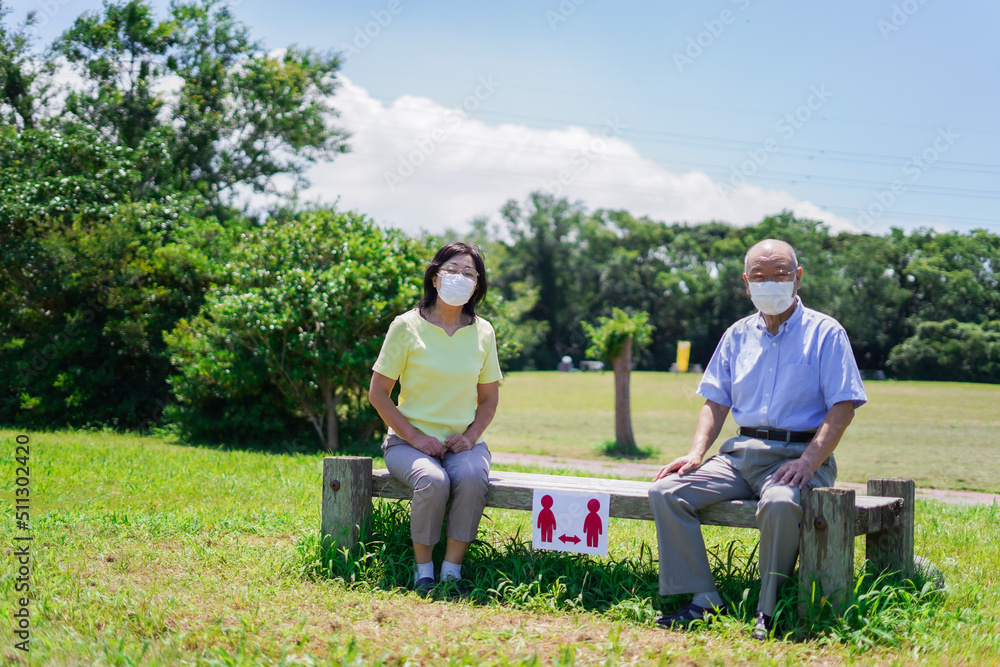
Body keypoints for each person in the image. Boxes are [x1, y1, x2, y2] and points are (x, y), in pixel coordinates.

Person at [648, 239, 867, 640]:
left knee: (781, 503)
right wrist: (696, 453)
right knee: (666, 490)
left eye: (780, 275)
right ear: (747, 282)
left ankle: (769, 608)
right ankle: (703, 599)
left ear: (797, 277)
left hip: (799, 455)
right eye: (760, 277)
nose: (770, 283)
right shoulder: (736, 334)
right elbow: (715, 401)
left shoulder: (825, 332)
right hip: (739, 455)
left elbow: (843, 407)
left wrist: (808, 463)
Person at [368, 241, 502, 597]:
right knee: (432, 478)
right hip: (406, 444)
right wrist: (415, 438)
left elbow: (489, 400)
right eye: (453, 270)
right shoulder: (406, 326)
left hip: (463, 445)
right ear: (435, 276)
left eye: (469, 273)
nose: (460, 278)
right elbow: (378, 394)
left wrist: (471, 438)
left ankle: (452, 572)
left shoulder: (484, 332)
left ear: (478, 284)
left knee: (472, 476)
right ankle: (423, 572)